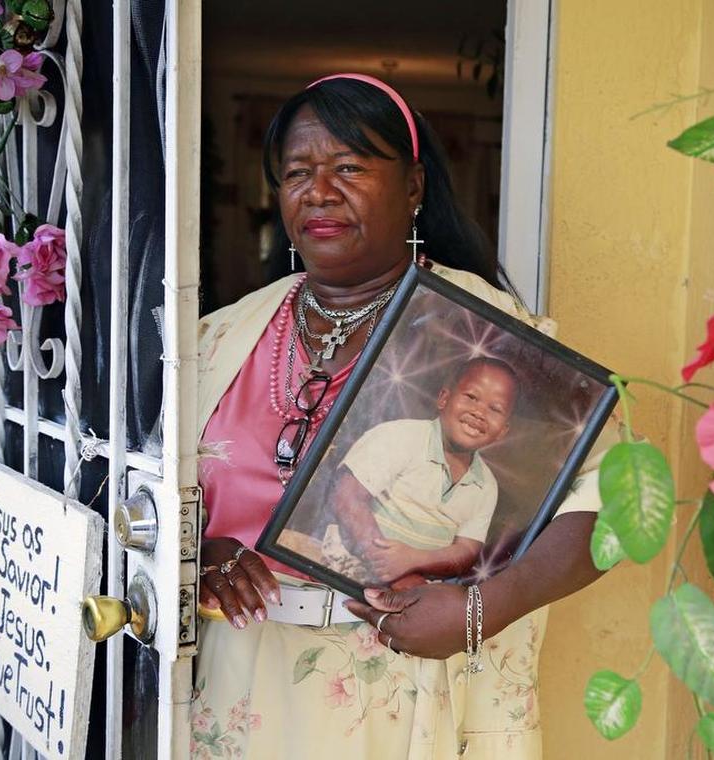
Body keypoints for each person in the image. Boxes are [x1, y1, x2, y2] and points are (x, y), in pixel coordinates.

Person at [192, 73, 614, 760]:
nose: (319, 191)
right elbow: (149, 496)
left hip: (416, 688)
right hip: (243, 687)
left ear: (414, 188)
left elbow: (613, 499)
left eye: (350, 168)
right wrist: (202, 555)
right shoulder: (218, 338)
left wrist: (480, 610)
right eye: (298, 171)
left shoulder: (486, 335)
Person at [322, 356, 518, 585]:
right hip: (346, 567)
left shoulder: (486, 485)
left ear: (503, 431)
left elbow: (466, 551)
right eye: (471, 397)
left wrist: (414, 561)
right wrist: (385, 563)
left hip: (415, 586)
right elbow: (346, 497)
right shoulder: (400, 437)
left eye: (495, 409)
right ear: (444, 398)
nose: (479, 412)